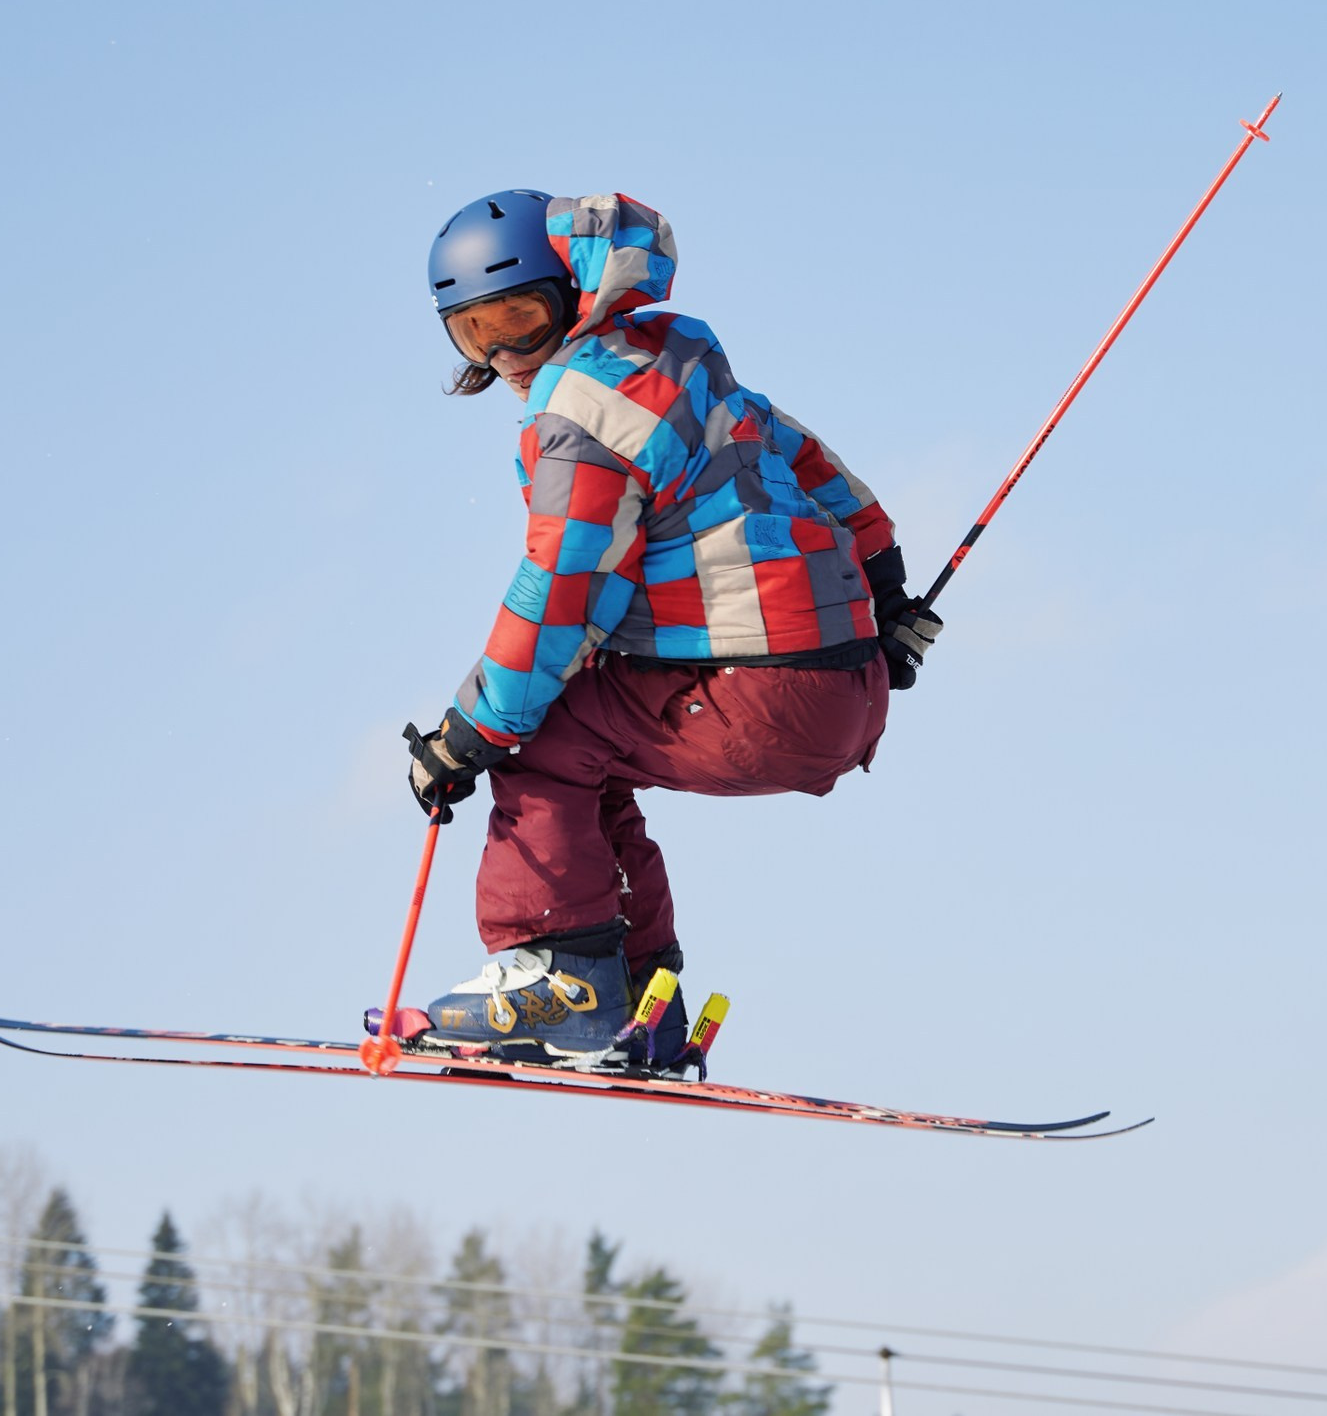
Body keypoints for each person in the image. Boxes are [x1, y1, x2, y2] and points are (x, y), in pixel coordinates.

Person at [399, 190, 943, 1068]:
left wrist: (472, 730)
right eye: (473, 333)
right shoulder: (678, 357)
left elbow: (562, 591)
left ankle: (561, 980)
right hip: (846, 684)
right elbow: (803, 455)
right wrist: (884, 591)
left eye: (521, 318)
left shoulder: (579, 408)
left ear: (574, 292)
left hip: (758, 689)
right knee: (589, 761)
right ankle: (641, 1001)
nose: (502, 352)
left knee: (539, 739)